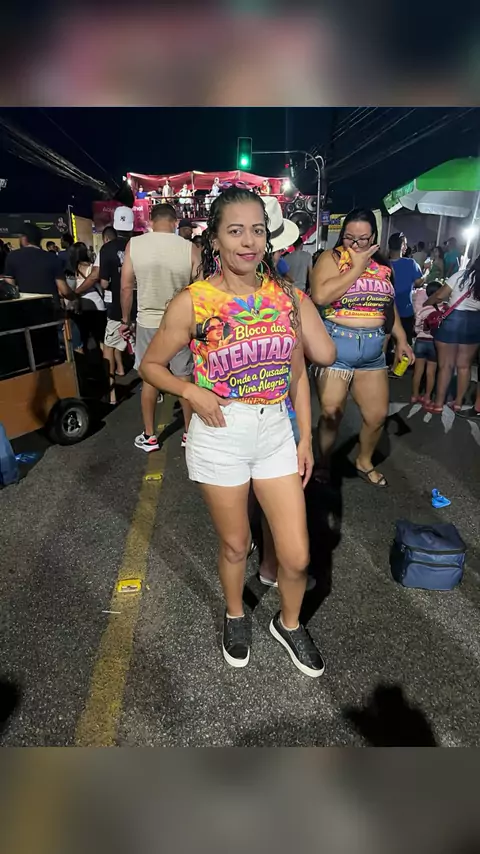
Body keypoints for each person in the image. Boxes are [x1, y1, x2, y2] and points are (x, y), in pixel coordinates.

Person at [139, 186, 326, 677]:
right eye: (236, 231)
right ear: (215, 240)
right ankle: (236, 614)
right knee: (236, 545)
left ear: (269, 237)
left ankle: (288, 623)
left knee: (297, 555)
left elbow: (299, 372)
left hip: (275, 431)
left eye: (257, 231)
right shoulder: (194, 301)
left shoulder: (285, 297)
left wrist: (305, 437)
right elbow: (150, 365)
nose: (248, 241)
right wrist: (191, 391)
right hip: (220, 433)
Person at [311, 209, 414, 487]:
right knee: (331, 413)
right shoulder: (331, 258)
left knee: (377, 415)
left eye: (362, 239)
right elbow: (320, 295)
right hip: (336, 346)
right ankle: (324, 461)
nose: (355, 244)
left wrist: (402, 339)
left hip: (373, 350)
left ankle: (364, 460)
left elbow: (388, 307)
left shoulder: (382, 266)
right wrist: (356, 267)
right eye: (349, 237)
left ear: (374, 238)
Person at [120, 203, 200, 451]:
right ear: (175, 222)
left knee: (150, 378)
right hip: (180, 322)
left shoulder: (135, 245)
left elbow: (126, 286)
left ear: (150, 222)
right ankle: (189, 434)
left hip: (147, 321)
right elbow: (200, 289)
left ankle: (150, 435)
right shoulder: (189, 248)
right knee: (184, 377)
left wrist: (125, 320)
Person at [424, 256, 480, 413]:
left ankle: (438, 404)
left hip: (453, 320)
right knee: (464, 366)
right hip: (474, 322)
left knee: (445, 366)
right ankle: (458, 403)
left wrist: (426, 303)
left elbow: (440, 295)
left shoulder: (461, 275)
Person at [97, 207, 134, 404]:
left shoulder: (107, 249)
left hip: (116, 310)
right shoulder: (138, 245)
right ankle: (156, 390)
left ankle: (111, 394)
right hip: (139, 306)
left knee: (109, 348)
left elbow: (103, 283)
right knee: (145, 351)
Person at [3, 222, 76, 308]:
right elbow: (64, 291)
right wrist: (75, 297)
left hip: (24, 309)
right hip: (50, 308)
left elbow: (10, 289)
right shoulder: (52, 258)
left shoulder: (12, 257)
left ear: (24, 239)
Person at [68, 241, 107, 357]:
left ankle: (87, 362)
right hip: (97, 305)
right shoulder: (92, 268)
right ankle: (105, 362)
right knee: (101, 338)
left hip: (80, 306)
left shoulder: (72, 272)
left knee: (83, 337)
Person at [388, 232, 424, 344]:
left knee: (386, 344)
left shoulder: (383, 264)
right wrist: (427, 271)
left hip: (386, 311)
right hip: (405, 311)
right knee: (404, 343)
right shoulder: (410, 263)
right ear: (402, 246)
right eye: (405, 244)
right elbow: (418, 282)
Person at [411, 281, 442, 406]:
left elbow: (416, 329)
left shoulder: (423, 310)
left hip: (421, 342)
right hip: (434, 343)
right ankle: (427, 397)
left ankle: (414, 395)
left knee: (418, 371)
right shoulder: (443, 310)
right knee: (431, 373)